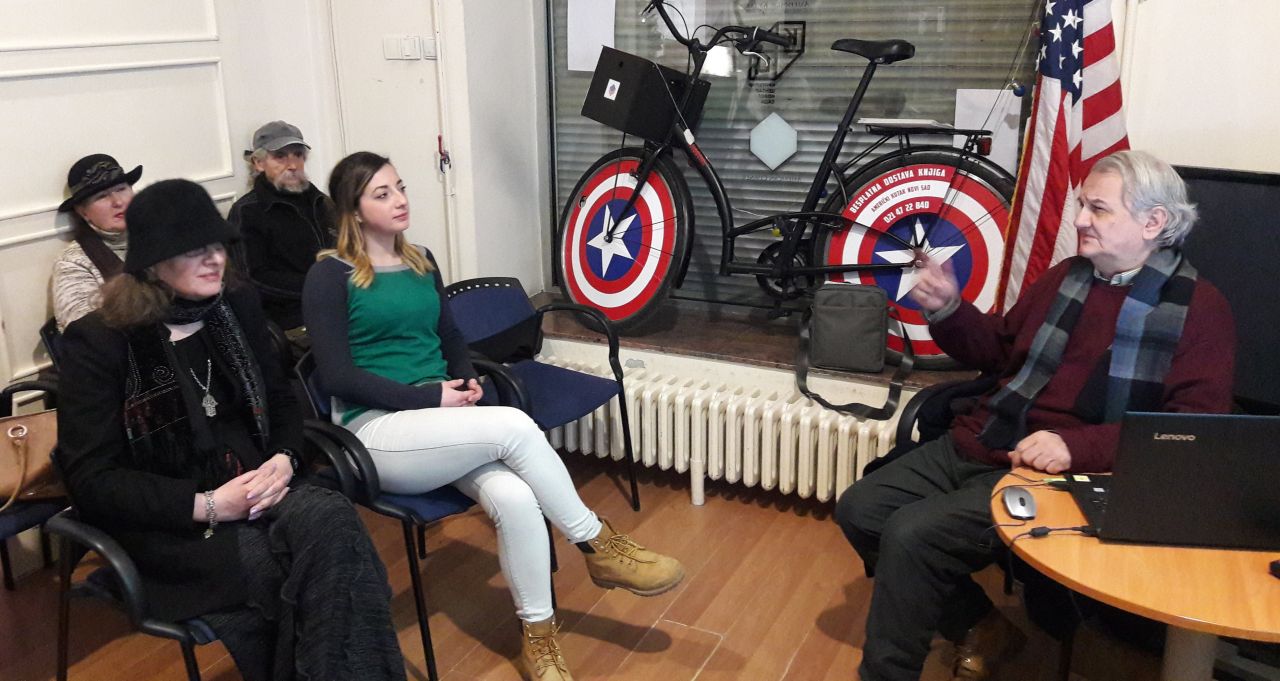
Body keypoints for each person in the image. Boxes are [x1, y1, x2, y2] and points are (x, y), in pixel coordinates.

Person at [834, 150, 1236, 681]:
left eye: (1098, 208)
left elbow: (1189, 434)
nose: (1080, 220)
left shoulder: (1200, 309)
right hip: (986, 436)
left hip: (1058, 476)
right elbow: (999, 352)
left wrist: (1077, 446)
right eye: (1081, 205)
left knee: (912, 535)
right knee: (861, 508)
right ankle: (981, 626)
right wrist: (950, 307)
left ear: (1153, 222)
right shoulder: (1068, 277)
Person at [302, 151, 686, 681]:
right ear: (353, 209)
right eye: (382, 194)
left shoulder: (421, 261)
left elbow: (450, 338)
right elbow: (338, 377)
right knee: (515, 425)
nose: (400, 200)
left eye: (401, 187)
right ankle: (597, 542)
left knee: (517, 499)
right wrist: (431, 398)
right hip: (376, 430)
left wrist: (466, 382)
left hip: (437, 422)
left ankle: (539, 639)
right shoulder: (329, 275)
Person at [57, 179, 406, 681]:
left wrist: (285, 458)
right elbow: (92, 480)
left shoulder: (234, 306)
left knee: (332, 521)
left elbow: (283, 400)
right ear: (151, 263)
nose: (215, 260)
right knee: (286, 570)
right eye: (193, 250)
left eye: (218, 245)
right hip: (176, 525)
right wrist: (211, 505)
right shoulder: (100, 342)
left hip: (262, 489)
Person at [228, 120, 336, 346]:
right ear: (258, 163)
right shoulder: (247, 212)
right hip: (292, 320)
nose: (293, 164)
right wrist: (318, 286)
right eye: (280, 156)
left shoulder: (322, 202)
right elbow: (252, 279)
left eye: (298, 155)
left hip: (342, 303)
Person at [52, 154, 140, 331]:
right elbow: (86, 331)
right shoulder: (73, 262)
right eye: (102, 196)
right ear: (83, 212)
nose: (118, 202)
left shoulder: (158, 234)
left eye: (121, 189)